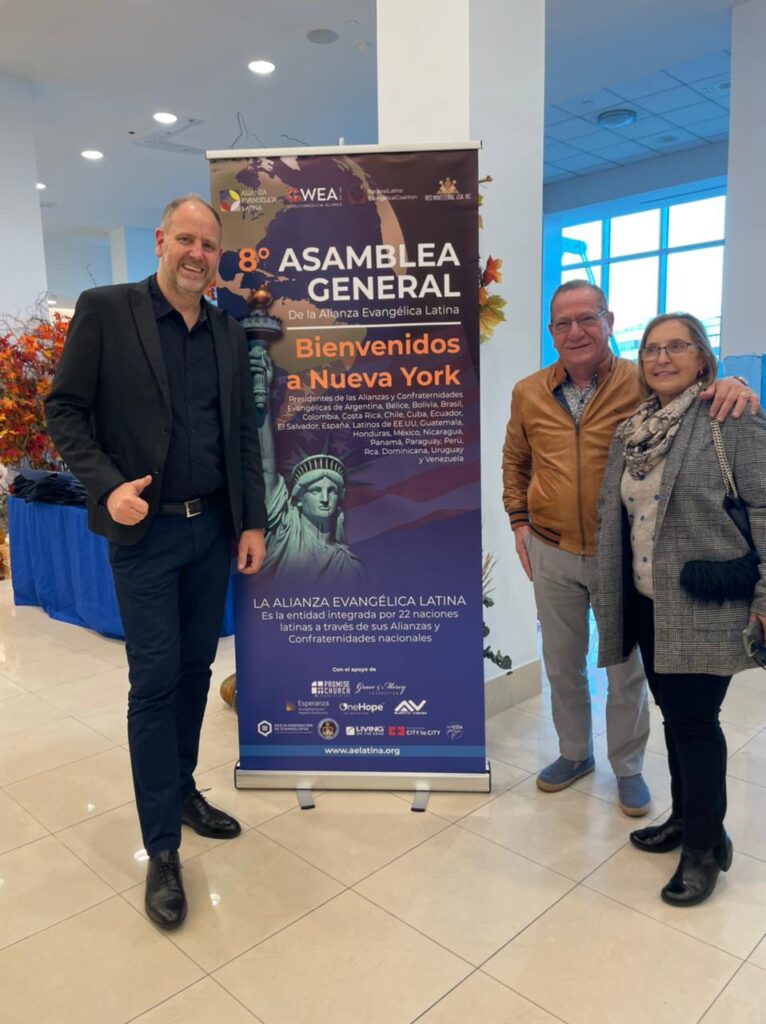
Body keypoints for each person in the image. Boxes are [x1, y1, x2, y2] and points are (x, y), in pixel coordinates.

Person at [45, 194, 267, 930]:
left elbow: (242, 434)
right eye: (186, 240)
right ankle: (162, 847)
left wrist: (253, 521)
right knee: (153, 684)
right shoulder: (107, 311)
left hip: (212, 533)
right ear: (160, 241)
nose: (197, 254)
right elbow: (63, 410)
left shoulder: (228, 332)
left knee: (196, 671)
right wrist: (107, 487)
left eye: (209, 245)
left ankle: (181, 789)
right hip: (144, 536)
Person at [502, 280, 754, 815]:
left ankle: (628, 766)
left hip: (621, 553)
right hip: (551, 548)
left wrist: (732, 381)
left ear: (609, 322)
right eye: (563, 323)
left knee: (625, 668)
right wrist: (519, 522)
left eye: (587, 318)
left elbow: (692, 391)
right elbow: (515, 462)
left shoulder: (641, 381)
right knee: (561, 663)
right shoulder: (528, 392)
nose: (575, 331)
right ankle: (574, 753)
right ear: (551, 332)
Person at [593, 313, 766, 905]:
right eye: (651, 349)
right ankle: (688, 819)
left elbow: (764, 509)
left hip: (704, 600)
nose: (661, 358)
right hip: (648, 602)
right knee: (675, 716)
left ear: (702, 359)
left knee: (695, 723)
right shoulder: (632, 430)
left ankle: (705, 849)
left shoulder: (731, 418)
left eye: (676, 347)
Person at [249, 346, 364, 582]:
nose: (325, 498)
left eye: (332, 491)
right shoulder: (285, 532)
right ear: (299, 499)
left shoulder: (350, 565)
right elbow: (267, 464)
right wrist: (261, 394)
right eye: (315, 490)